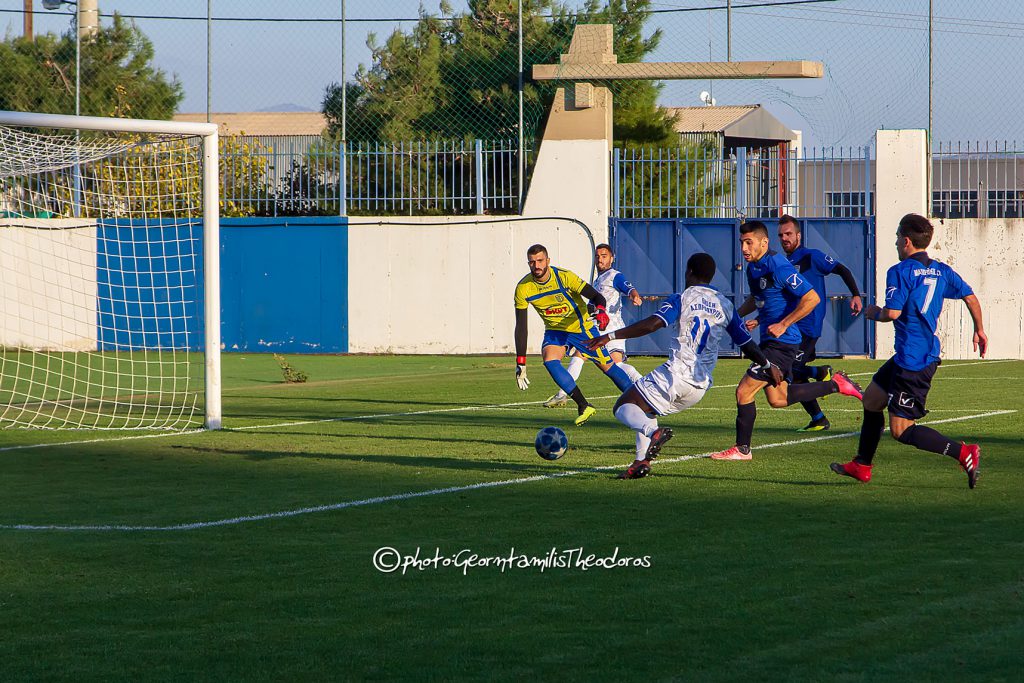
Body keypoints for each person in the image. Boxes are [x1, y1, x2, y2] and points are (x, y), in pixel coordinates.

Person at [586, 253, 785, 479]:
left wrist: (609, 335)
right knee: (646, 408)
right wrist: (768, 365)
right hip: (699, 387)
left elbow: (653, 324)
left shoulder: (682, 297)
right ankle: (641, 462)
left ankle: (654, 433)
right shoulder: (725, 304)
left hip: (676, 374)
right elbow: (747, 344)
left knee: (623, 406)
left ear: (689, 271)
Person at [831, 213, 987, 488]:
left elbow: (892, 312)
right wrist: (979, 329)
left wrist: (873, 312)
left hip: (913, 362)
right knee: (871, 401)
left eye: (896, 239)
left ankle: (964, 452)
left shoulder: (900, 271)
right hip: (910, 354)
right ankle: (861, 465)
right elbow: (970, 296)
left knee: (901, 430)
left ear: (906, 241)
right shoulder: (942, 270)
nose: (894, 244)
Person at [710, 221, 864, 461]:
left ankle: (742, 449)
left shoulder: (778, 265)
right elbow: (761, 298)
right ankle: (836, 385)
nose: (744, 248)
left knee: (744, 391)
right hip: (770, 341)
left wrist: (784, 324)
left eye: (749, 242)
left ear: (764, 242)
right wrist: (737, 316)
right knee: (778, 399)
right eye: (742, 242)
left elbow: (811, 298)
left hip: (783, 343)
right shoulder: (753, 269)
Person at [513, 243, 635, 426]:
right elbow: (521, 326)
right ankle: (583, 405)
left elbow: (597, 297)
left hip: (581, 328)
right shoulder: (523, 288)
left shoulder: (564, 277)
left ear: (547, 261)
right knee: (549, 359)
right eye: (532, 262)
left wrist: (601, 310)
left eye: (540, 261)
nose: (536, 266)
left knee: (608, 367)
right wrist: (520, 361)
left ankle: (639, 401)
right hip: (555, 330)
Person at [769, 214, 864, 432]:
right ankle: (819, 415)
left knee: (789, 372)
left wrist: (856, 295)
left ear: (799, 235)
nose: (785, 238)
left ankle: (827, 379)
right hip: (790, 328)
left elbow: (842, 269)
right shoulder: (781, 263)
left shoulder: (812, 257)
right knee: (792, 374)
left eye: (789, 234)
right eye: (781, 235)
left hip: (807, 327)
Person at [544, 243, 643, 408]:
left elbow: (628, 287)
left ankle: (562, 394)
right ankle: (644, 385)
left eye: (604, 256)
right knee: (614, 364)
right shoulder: (598, 280)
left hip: (610, 327)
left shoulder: (614, 275)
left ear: (612, 258)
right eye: (597, 256)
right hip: (604, 328)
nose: (600, 259)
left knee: (581, 356)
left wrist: (634, 295)